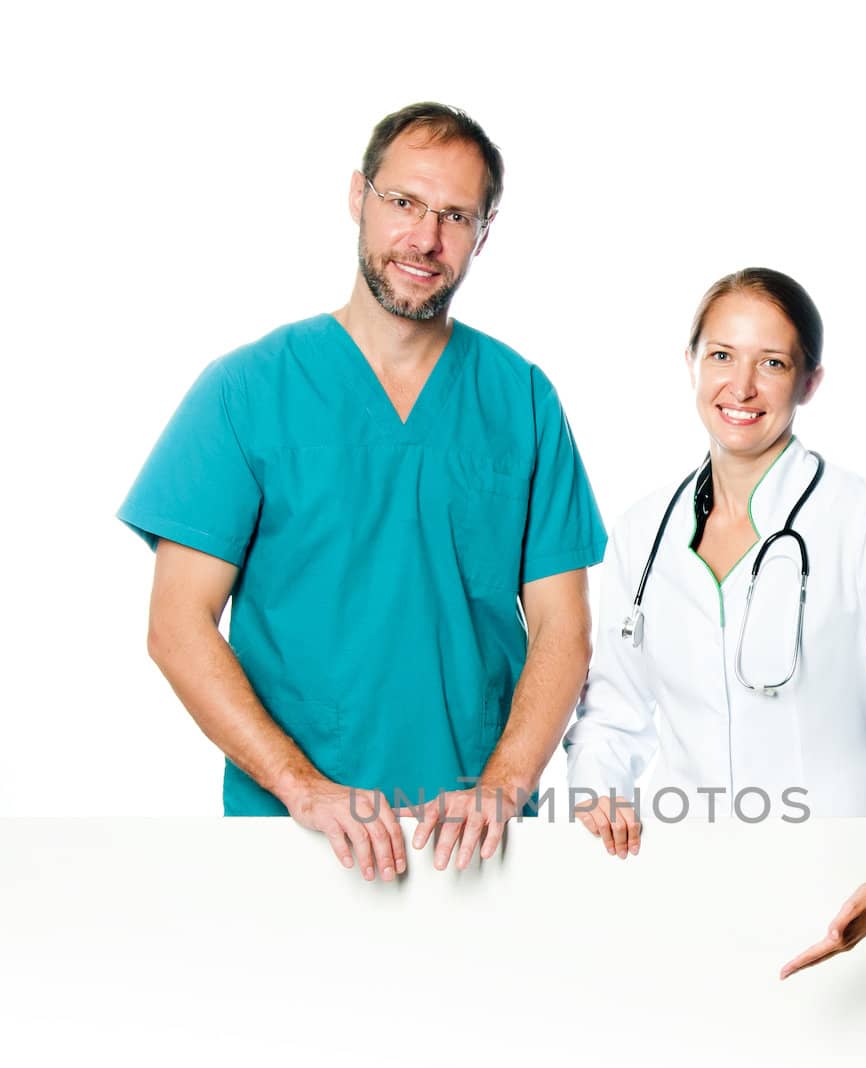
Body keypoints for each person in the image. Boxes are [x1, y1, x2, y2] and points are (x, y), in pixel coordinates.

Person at [118, 102, 606, 881]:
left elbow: (563, 630)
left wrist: (500, 790)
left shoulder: (521, 399)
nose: (425, 238)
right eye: (404, 202)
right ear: (358, 197)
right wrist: (302, 790)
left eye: (455, 215)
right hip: (291, 836)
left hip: (478, 843)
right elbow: (177, 625)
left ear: (483, 235)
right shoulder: (247, 391)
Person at [563, 268, 866, 978]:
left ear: (808, 383)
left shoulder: (861, 518)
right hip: (682, 884)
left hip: (837, 881)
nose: (740, 387)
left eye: (771, 363)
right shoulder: (643, 530)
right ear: (689, 363)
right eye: (721, 355)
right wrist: (599, 791)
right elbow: (612, 710)